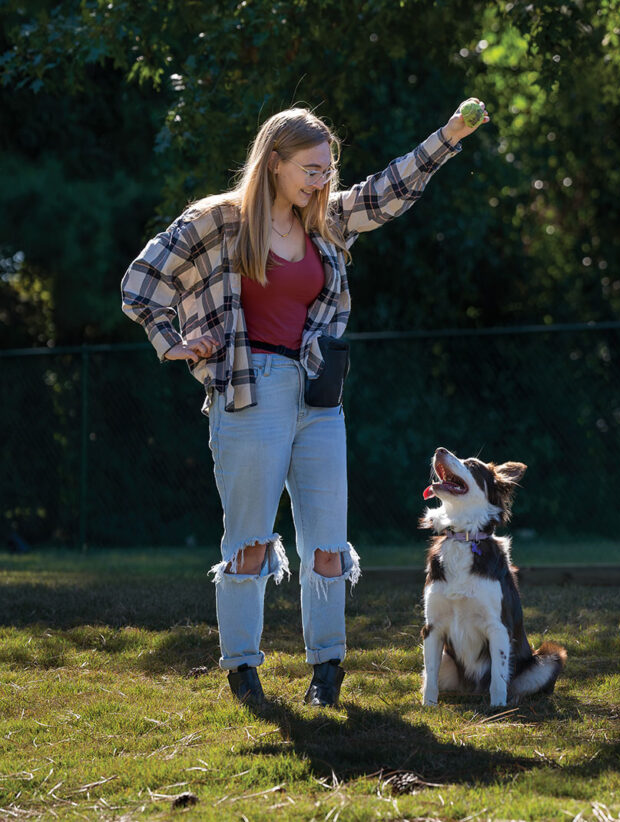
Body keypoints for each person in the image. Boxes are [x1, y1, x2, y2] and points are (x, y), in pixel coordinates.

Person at [121, 98, 488, 710]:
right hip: (247, 391)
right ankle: (242, 669)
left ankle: (327, 669)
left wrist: (449, 134)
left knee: (326, 544)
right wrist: (176, 343)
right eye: (310, 169)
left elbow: (387, 191)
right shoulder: (218, 221)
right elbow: (140, 286)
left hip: (318, 395)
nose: (322, 180)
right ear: (273, 164)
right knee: (249, 544)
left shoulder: (325, 223)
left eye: (326, 169)